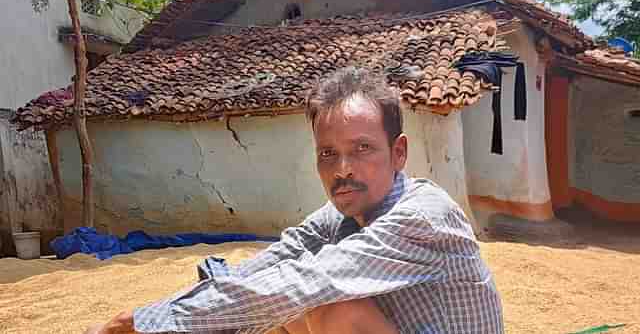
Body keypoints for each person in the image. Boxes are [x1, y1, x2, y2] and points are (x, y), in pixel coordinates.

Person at [86, 66, 504, 334]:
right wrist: (158, 314)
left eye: (362, 149)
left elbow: (308, 282)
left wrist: (145, 325)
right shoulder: (348, 209)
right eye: (328, 154)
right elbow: (276, 262)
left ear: (398, 154)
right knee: (278, 310)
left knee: (328, 309)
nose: (343, 169)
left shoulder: (421, 216)